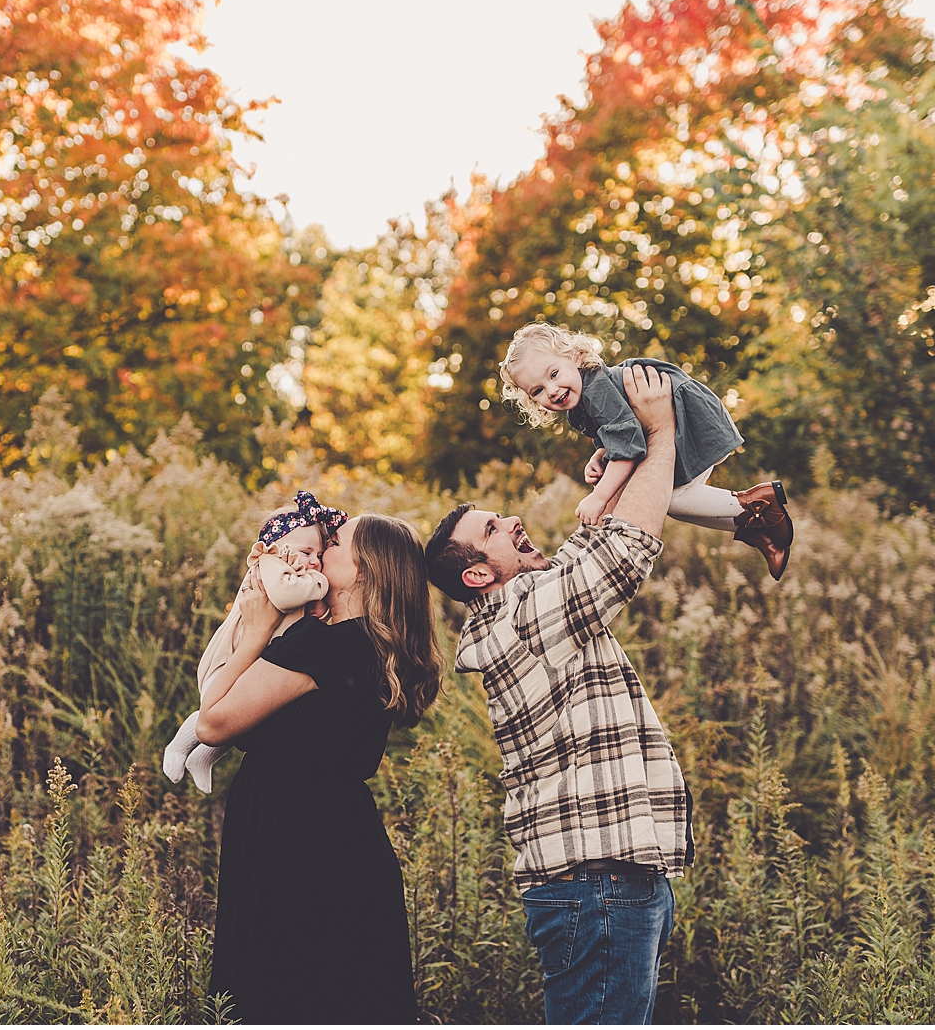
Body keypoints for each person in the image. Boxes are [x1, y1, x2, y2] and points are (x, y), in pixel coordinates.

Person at [424, 364, 688, 1024]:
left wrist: (618, 468)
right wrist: (660, 436)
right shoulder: (523, 610)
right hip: (597, 883)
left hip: (606, 880)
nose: (512, 518)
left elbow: (597, 539)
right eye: (491, 528)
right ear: (482, 573)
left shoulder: (526, 600)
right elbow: (626, 548)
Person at [197, 512, 440, 1024]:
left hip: (292, 839)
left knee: (286, 991)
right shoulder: (373, 646)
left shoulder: (322, 646)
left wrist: (258, 630)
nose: (318, 550)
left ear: (365, 571)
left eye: (334, 545)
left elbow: (213, 723)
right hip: (344, 834)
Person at [499, 321, 795, 580]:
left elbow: (629, 448)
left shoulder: (595, 390)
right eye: (537, 390)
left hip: (686, 419)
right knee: (669, 502)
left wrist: (599, 497)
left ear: (575, 357)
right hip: (679, 421)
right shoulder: (582, 401)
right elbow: (621, 430)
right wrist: (601, 454)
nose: (550, 390)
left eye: (553, 374)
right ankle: (759, 530)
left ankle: (760, 504)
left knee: (669, 498)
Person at [162, 491, 347, 793]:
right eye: (307, 552)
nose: (315, 561)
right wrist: (320, 583)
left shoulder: (294, 571)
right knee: (219, 711)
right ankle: (178, 748)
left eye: (319, 554)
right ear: (279, 545)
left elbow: (298, 613)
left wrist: (318, 608)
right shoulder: (271, 561)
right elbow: (286, 596)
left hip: (256, 660)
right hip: (230, 659)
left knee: (244, 716)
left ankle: (202, 759)